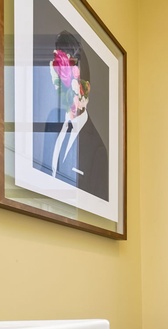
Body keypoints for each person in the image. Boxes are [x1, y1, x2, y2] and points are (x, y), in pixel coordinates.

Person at [37, 31, 108, 201]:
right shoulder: (52, 127)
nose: (63, 90)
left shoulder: (97, 150)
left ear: (85, 88)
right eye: (58, 83)